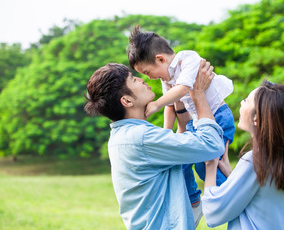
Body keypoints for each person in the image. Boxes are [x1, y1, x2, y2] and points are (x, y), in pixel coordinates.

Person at [84, 60, 224, 229]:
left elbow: (178, 148)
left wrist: (179, 108)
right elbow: (212, 144)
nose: (142, 79)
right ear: (127, 101)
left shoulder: (124, 136)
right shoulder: (140, 138)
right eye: (134, 80)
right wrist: (198, 94)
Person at [127, 25, 235, 209]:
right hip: (197, 123)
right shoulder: (166, 79)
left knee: (207, 166)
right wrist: (166, 133)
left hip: (218, 118)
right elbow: (170, 106)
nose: (149, 78)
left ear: (160, 59)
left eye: (147, 72)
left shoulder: (187, 59)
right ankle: (193, 199)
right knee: (179, 162)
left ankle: (230, 199)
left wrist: (155, 104)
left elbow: (183, 88)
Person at [202, 80, 284, 229]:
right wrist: (232, 175)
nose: (241, 103)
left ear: (257, 118)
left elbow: (213, 213)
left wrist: (210, 166)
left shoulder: (255, 161)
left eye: (246, 100)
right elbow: (262, 198)